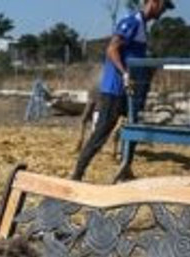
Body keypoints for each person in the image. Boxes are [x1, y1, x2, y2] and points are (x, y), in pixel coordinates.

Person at [70, 0, 172, 182]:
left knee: (134, 128)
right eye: (164, 6)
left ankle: (126, 168)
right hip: (116, 89)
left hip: (130, 91)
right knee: (101, 132)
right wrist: (125, 73)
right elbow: (112, 49)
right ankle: (78, 173)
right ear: (154, 2)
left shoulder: (142, 27)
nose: (164, 11)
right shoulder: (131, 22)